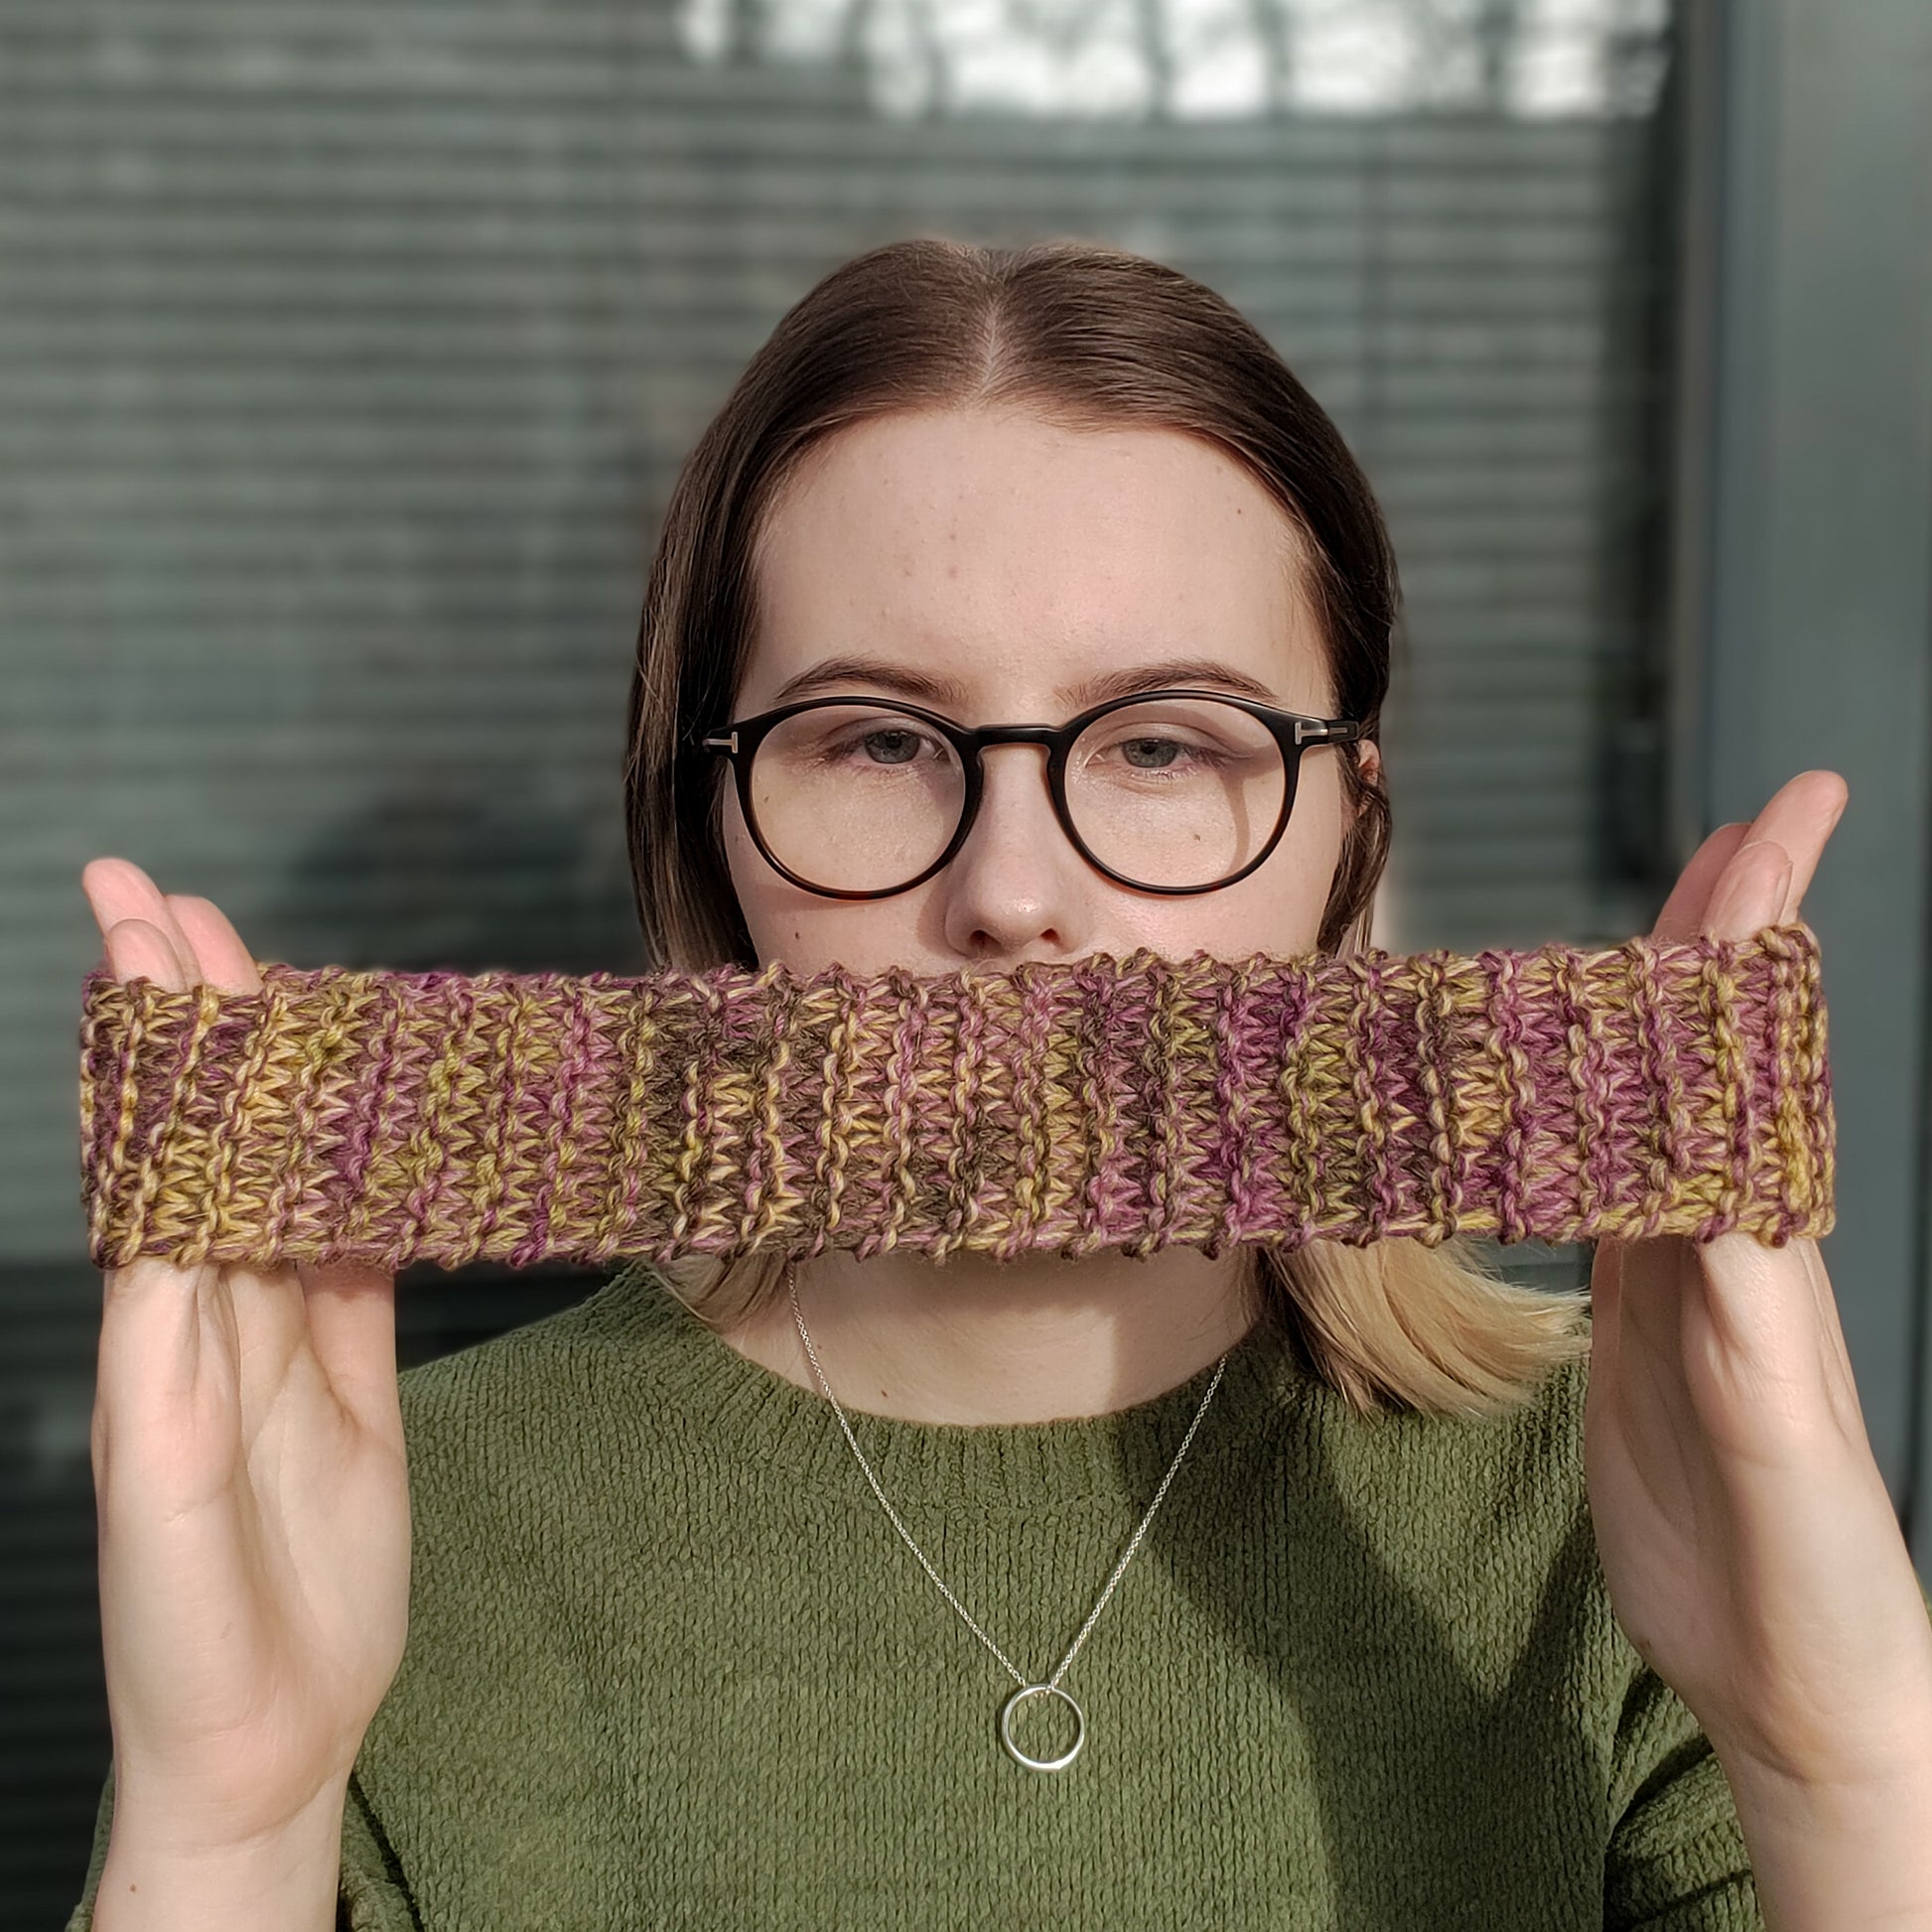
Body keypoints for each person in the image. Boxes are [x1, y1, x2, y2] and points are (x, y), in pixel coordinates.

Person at [65, 238, 1932, 1931]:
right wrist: (227, 1826)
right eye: (875, 739)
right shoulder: (386, 1539)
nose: (1012, 899)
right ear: (710, 830)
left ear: (1346, 843)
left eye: (1158, 742)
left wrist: (1844, 1757)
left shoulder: (1616, 1522)